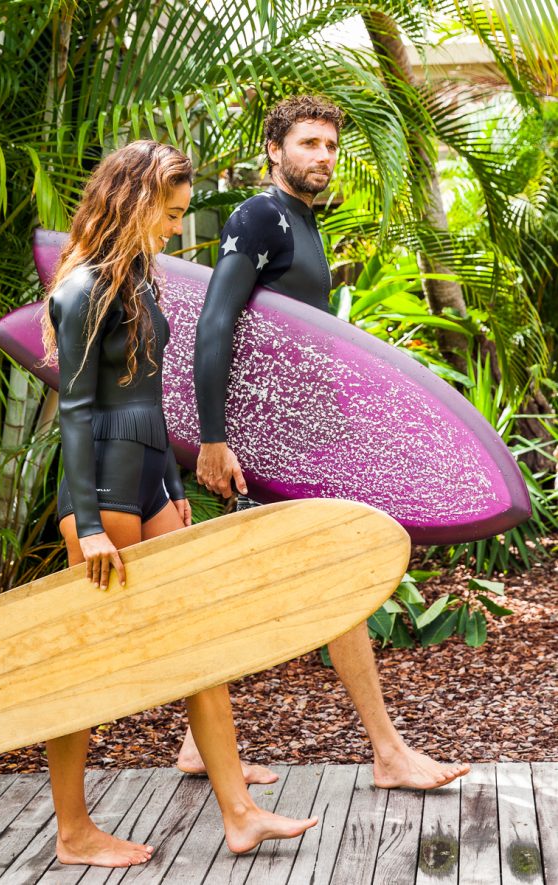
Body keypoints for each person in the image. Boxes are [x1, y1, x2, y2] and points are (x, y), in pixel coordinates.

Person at [41, 140, 316, 869]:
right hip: (97, 477)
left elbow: (151, 396)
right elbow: (74, 410)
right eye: (168, 214)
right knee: (87, 665)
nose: (173, 228)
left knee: (201, 641)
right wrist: (93, 527)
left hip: (147, 470)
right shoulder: (81, 290)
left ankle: (240, 811)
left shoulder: (141, 279)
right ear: (133, 202)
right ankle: (72, 831)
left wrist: (172, 492)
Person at [183, 96, 470, 791]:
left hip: (295, 441)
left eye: (332, 146)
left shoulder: (304, 224)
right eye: (308, 143)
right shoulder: (259, 217)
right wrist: (215, 439)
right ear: (273, 149)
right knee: (337, 578)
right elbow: (214, 324)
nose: (323, 156)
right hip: (264, 445)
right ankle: (389, 752)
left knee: (240, 591)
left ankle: (194, 743)